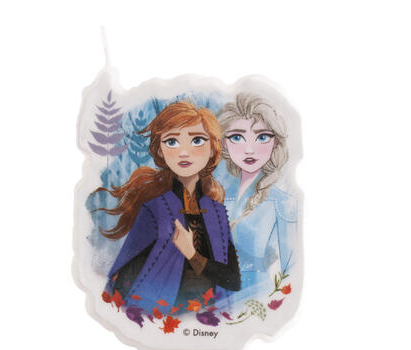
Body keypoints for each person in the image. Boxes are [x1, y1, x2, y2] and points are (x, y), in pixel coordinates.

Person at [94, 100, 240, 316]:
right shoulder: (154, 209)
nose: (184, 152)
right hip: (162, 316)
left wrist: (192, 254)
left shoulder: (217, 212)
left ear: (212, 148)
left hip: (211, 315)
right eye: (172, 142)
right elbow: (126, 277)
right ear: (160, 151)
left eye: (197, 140)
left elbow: (233, 281)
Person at [216, 93, 298, 304]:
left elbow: (291, 267)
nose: (249, 149)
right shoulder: (218, 195)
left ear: (275, 141)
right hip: (214, 294)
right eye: (237, 137)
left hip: (254, 296)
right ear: (224, 143)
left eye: (262, 137)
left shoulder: (282, 203)